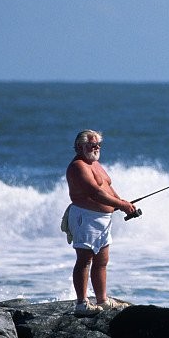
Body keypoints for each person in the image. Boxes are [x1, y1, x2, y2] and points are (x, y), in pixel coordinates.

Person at [64, 129, 136, 316]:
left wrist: (123, 204)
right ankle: (82, 303)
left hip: (103, 220)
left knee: (102, 260)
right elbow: (95, 193)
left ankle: (102, 300)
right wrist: (121, 204)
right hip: (85, 217)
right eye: (91, 144)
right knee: (85, 259)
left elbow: (107, 188)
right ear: (80, 146)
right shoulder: (78, 166)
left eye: (98, 144)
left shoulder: (95, 164)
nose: (96, 147)